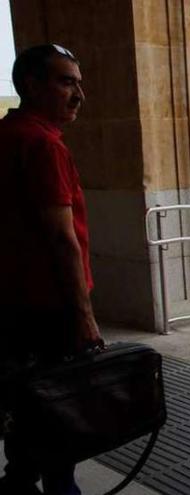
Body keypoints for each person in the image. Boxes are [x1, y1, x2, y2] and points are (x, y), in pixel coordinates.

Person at [0, 43, 104, 495]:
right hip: (50, 309)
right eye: (66, 82)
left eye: (79, 82)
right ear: (30, 85)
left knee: (24, 409)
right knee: (63, 416)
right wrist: (84, 317)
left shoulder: (6, 134)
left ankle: (19, 481)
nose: (79, 94)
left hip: (12, 304)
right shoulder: (43, 145)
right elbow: (63, 239)